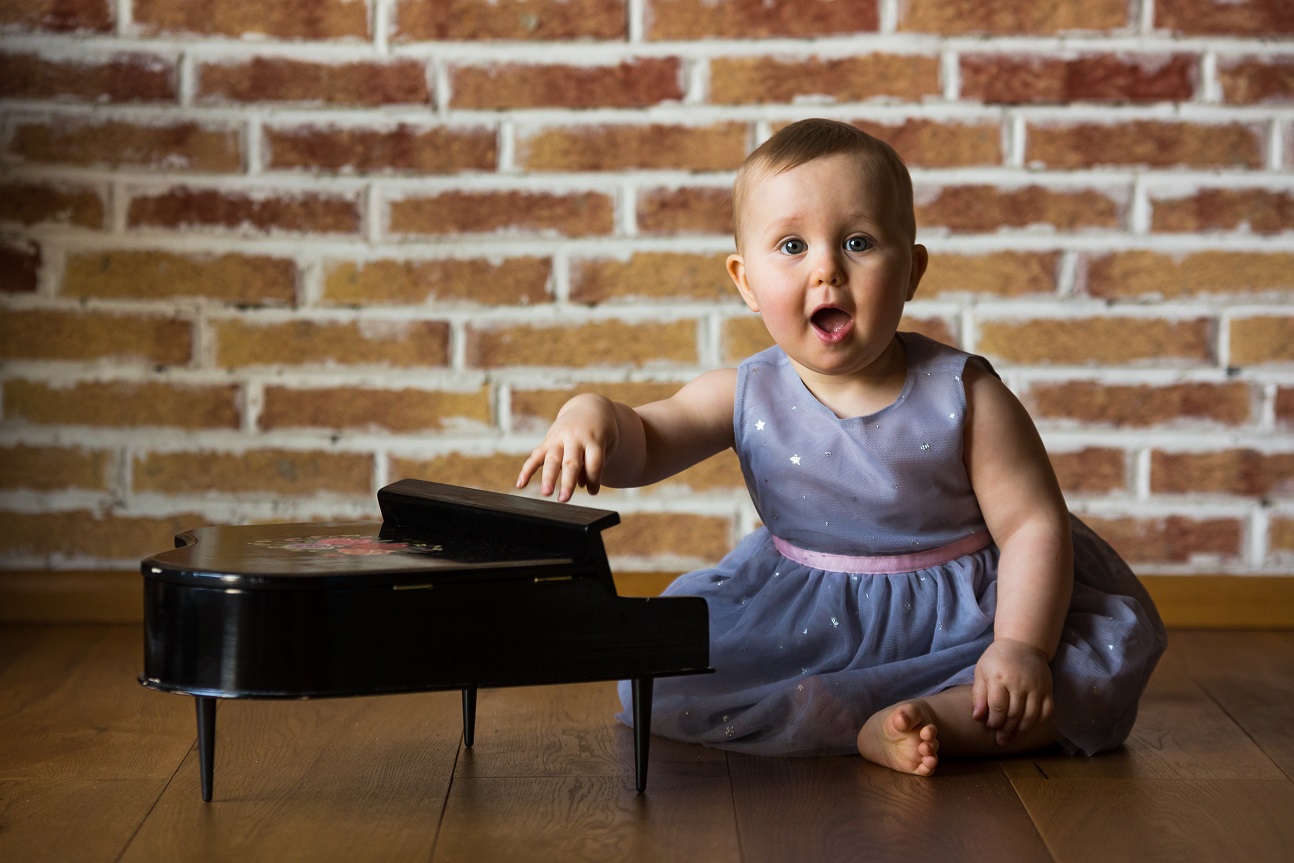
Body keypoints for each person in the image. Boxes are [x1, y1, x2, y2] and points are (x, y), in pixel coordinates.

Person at [515, 118, 1166, 776]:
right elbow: (651, 439)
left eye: (857, 241)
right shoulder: (746, 391)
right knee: (660, 675)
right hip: (808, 613)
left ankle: (933, 717)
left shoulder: (965, 394)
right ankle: (860, 708)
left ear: (911, 269)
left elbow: (1031, 524)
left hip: (969, 613)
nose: (826, 268)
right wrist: (591, 416)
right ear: (745, 281)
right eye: (793, 245)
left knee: (1073, 676)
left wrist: (1021, 644)